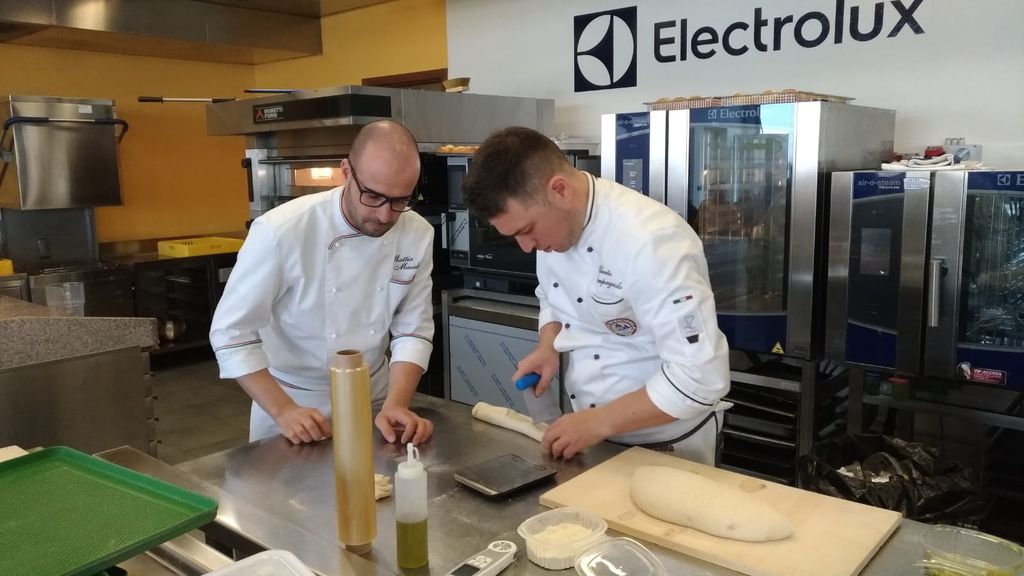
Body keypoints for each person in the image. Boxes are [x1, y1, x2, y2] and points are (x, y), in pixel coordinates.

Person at [462, 127, 731, 465]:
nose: (526, 247)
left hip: (669, 442)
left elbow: (700, 378)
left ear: (559, 190)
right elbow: (552, 297)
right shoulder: (554, 231)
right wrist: (548, 346)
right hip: (595, 434)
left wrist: (600, 421)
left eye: (527, 230)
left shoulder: (652, 242)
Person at [210, 120, 435, 446]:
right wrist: (284, 410)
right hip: (293, 403)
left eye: (401, 200)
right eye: (373, 196)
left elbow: (413, 330)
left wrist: (396, 404)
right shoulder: (280, 232)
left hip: (375, 399)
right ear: (346, 172)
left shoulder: (417, 233)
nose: (386, 216)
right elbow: (230, 333)